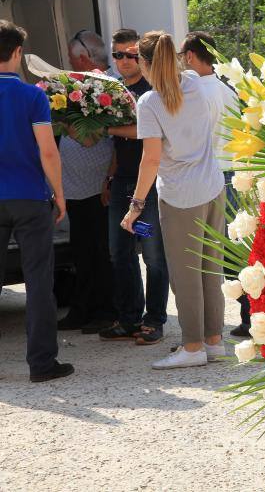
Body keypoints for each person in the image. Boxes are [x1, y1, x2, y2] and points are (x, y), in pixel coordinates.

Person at [120, 30, 226, 369]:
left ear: (145, 63)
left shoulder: (150, 103)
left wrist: (135, 207)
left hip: (181, 196)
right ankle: (213, 340)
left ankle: (192, 345)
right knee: (210, 269)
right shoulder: (193, 81)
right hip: (213, 187)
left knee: (185, 274)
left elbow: (150, 160)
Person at [0, 20, 73, 382]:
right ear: (17, 54)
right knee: (38, 281)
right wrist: (59, 194)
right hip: (29, 197)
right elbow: (48, 152)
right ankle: (42, 364)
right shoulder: (32, 96)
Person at [98, 28, 170, 345]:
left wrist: (109, 127)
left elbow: (145, 135)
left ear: (140, 57)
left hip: (148, 187)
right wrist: (109, 178)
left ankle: (154, 320)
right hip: (123, 181)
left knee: (152, 255)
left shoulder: (151, 91)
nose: (124, 61)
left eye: (130, 55)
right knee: (119, 252)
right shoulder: (112, 91)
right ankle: (128, 318)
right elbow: (117, 145)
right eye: (118, 55)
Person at [179, 31, 250, 337]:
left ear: (192, 56)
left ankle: (212, 323)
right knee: (235, 248)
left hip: (209, 174)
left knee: (208, 252)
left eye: (183, 56)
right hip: (232, 172)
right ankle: (250, 315)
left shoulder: (195, 93)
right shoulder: (227, 90)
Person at [55, 29, 116, 334]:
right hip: (78, 188)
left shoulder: (105, 88)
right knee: (83, 251)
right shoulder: (82, 86)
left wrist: (61, 117)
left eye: (71, 57)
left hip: (97, 187)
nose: (69, 62)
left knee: (100, 251)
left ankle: (105, 310)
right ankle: (84, 309)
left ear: (84, 57)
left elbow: (91, 138)